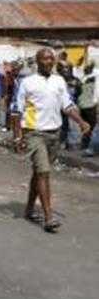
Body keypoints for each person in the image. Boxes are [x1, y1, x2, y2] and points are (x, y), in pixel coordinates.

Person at [12, 49, 90, 233]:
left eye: (51, 59)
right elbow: (17, 111)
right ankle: (49, 217)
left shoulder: (59, 81)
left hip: (54, 134)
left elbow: (67, 105)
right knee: (44, 172)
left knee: (39, 172)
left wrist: (80, 121)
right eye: (45, 59)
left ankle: (30, 209)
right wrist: (17, 135)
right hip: (34, 133)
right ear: (37, 61)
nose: (49, 61)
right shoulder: (27, 83)